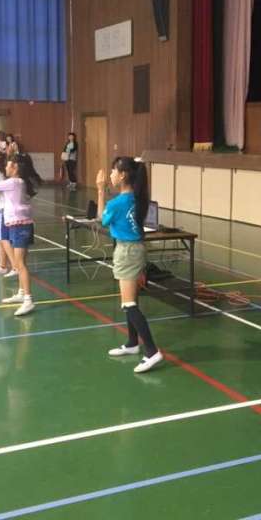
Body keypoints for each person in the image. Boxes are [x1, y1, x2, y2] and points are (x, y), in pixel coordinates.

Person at [96, 157, 163, 373]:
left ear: (123, 174)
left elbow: (101, 219)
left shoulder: (116, 204)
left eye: (113, 171)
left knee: (129, 304)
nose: (111, 175)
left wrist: (100, 190)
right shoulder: (137, 198)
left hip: (127, 252)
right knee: (130, 301)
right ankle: (133, 342)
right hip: (136, 249)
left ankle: (152, 351)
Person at [0, 153, 42, 316]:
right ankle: (21, 292)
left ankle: (28, 300)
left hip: (20, 227)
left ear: (15, 167)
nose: (5, 168)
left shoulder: (13, 182)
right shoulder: (18, 182)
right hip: (19, 225)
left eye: (7, 165)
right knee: (21, 263)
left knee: (20, 265)